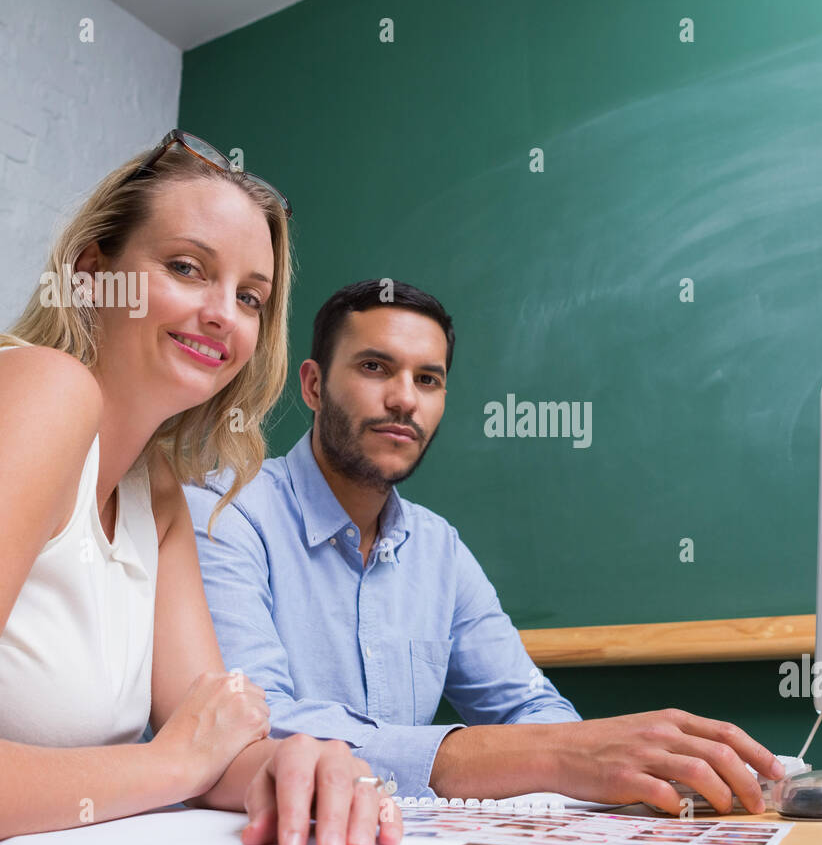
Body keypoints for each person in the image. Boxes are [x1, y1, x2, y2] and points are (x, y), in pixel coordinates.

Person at [0, 131, 400, 845]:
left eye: (251, 297)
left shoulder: (154, 491)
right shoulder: (36, 390)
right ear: (93, 273)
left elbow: (214, 742)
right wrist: (165, 765)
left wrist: (296, 763)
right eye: (188, 268)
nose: (225, 313)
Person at [185, 279, 786, 816]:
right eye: (375, 368)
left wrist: (593, 758)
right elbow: (255, 731)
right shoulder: (226, 512)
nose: (404, 399)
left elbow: (529, 707)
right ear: (314, 386)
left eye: (428, 379)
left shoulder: (439, 549)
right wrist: (554, 755)